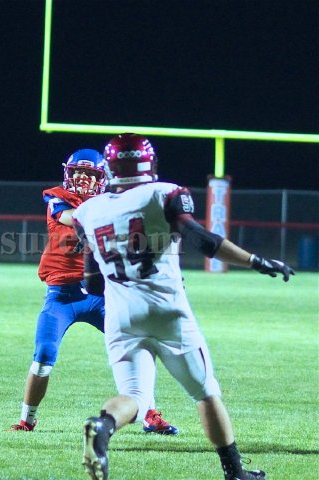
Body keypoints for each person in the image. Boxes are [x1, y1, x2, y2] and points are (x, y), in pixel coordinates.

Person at [73, 133, 294, 480]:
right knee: (206, 392)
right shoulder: (164, 193)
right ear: (148, 163)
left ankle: (102, 426)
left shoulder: (87, 211)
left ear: (110, 167)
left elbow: (92, 283)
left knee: (135, 397)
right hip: (167, 311)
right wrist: (256, 261)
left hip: (121, 316)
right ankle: (235, 472)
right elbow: (203, 241)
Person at [10, 149, 177, 436]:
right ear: (68, 173)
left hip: (101, 295)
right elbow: (73, 218)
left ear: (102, 178)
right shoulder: (58, 198)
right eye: (78, 172)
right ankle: (27, 419)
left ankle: (149, 414)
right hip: (62, 295)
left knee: (138, 345)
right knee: (44, 355)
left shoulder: (110, 202)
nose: (83, 178)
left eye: (90, 174)